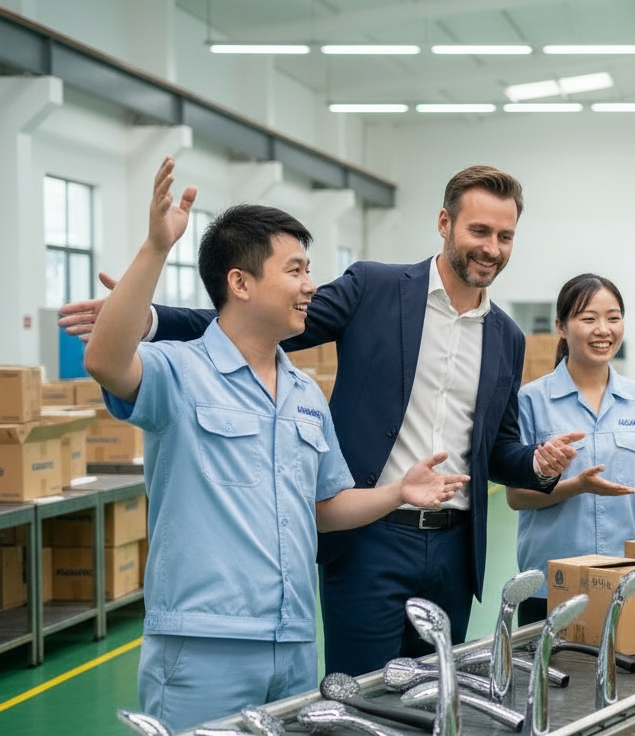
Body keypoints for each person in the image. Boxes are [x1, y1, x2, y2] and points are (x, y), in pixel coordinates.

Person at [59, 164, 582, 678]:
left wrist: (537, 464)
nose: (492, 247)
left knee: (433, 698)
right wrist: (147, 319)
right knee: (360, 695)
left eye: (506, 236)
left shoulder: (507, 337)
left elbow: (499, 448)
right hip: (368, 535)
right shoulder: (375, 288)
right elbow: (249, 321)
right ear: (444, 224)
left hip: (453, 546)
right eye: (480, 231)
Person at [82, 158, 469, 729]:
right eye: (295, 270)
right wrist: (157, 248)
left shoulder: (305, 394)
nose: (310, 284)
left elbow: (324, 508)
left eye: (309, 269)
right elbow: (106, 360)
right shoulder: (180, 373)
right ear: (239, 282)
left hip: (292, 641)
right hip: (203, 643)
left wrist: (397, 493)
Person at [508, 274, 635, 624]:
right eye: (588, 318)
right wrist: (577, 487)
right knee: (552, 677)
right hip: (551, 582)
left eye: (613, 317)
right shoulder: (531, 401)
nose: (603, 329)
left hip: (625, 575)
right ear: (561, 326)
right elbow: (517, 497)